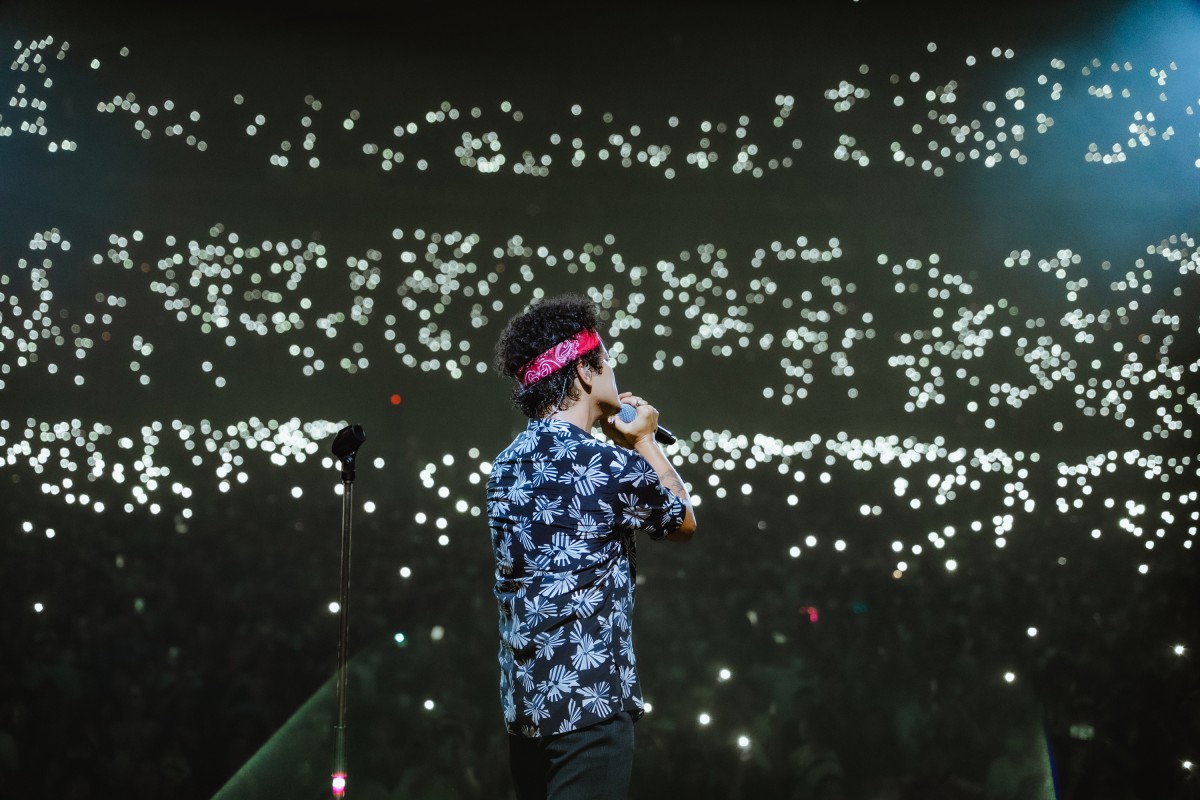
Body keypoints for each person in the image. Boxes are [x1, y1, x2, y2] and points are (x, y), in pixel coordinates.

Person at [488, 294, 697, 800]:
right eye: (605, 358)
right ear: (584, 371)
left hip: (526, 710)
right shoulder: (605, 464)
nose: (613, 370)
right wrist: (644, 441)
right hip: (590, 707)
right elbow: (682, 522)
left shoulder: (504, 466)